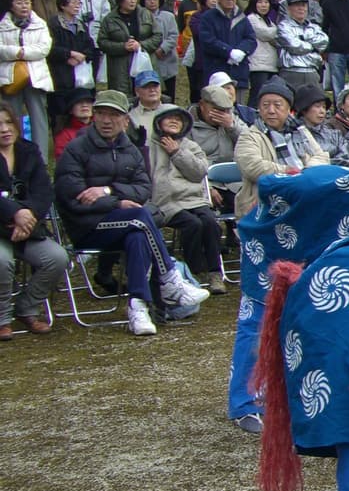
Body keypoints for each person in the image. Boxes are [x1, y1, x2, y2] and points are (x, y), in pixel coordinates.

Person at [54, 90, 209, 335]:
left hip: (127, 223)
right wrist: (117, 204)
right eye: (102, 114)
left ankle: (138, 308)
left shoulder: (131, 149)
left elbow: (143, 189)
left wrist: (108, 191)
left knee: (138, 234)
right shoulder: (76, 149)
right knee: (141, 218)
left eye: (114, 115)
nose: (107, 120)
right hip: (88, 227)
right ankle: (169, 278)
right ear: (94, 117)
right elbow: (72, 195)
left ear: (125, 120)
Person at [0, 101, 67, 339]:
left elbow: (43, 192)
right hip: (2, 227)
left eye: (8, 122)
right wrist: (14, 213)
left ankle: (26, 308)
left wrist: (28, 215)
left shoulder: (29, 151)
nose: (4, 129)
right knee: (2, 261)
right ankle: (2, 318)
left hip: (27, 227)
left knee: (57, 258)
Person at [146, 103, 226, 294]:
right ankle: (194, 271)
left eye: (179, 118)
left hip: (194, 200)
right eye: (169, 117)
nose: (174, 121)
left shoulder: (191, 146)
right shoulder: (149, 146)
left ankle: (215, 273)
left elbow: (199, 173)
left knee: (210, 223)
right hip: (165, 203)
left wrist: (177, 153)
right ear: (159, 122)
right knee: (193, 224)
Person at [233, 77, 330, 218]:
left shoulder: (299, 130)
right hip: (263, 200)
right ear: (259, 109)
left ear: (289, 109)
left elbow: (321, 156)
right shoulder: (250, 135)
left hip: (302, 191)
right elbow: (252, 166)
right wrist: (286, 171)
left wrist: (306, 172)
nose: (271, 110)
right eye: (265, 105)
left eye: (277, 105)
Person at [0, 0, 54, 154]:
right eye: (19, 2)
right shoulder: (3, 26)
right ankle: (14, 153)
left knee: (38, 116)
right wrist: (16, 52)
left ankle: (40, 156)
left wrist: (23, 52)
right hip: (11, 77)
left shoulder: (40, 24)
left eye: (27, 2)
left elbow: (44, 48)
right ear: (11, 5)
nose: (24, 6)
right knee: (12, 116)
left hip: (35, 76)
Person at [97, 0, 162, 96]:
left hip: (144, 63)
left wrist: (141, 45)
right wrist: (123, 47)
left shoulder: (145, 14)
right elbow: (102, 42)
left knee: (147, 95)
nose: (132, 1)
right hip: (120, 68)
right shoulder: (110, 19)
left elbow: (158, 36)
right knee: (123, 98)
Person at [274, 0, 328, 89]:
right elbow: (294, 46)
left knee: (314, 103)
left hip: (312, 71)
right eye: (297, 5)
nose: (301, 8)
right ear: (289, 8)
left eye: (303, 5)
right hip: (291, 72)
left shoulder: (314, 27)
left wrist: (302, 39)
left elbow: (324, 42)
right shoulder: (283, 26)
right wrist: (313, 47)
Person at [139, 0, 179, 99]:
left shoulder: (168, 16)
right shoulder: (139, 17)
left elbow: (174, 35)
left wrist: (163, 48)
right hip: (147, 58)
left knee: (168, 94)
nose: (152, 2)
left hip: (167, 60)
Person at [51, 88, 93, 159]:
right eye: (79, 102)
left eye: (88, 102)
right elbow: (64, 162)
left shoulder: (101, 128)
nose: (84, 105)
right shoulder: (64, 136)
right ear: (70, 110)